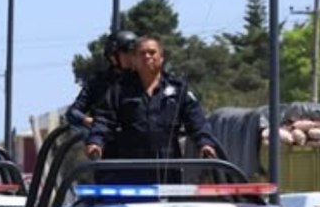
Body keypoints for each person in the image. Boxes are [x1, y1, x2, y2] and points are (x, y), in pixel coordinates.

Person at [86, 35, 222, 183]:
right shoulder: (119, 90)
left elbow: (196, 120)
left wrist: (205, 143)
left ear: (161, 58)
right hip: (130, 169)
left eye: (152, 52)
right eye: (142, 53)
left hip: (168, 168)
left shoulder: (178, 89)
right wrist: (96, 142)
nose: (147, 56)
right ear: (135, 59)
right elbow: (104, 119)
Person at [66, 30, 138, 129]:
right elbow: (73, 112)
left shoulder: (145, 79)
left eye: (135, 52)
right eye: (127, 52)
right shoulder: (98, 82)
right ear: (113, 57)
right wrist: (90, 122)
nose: (133, 57)